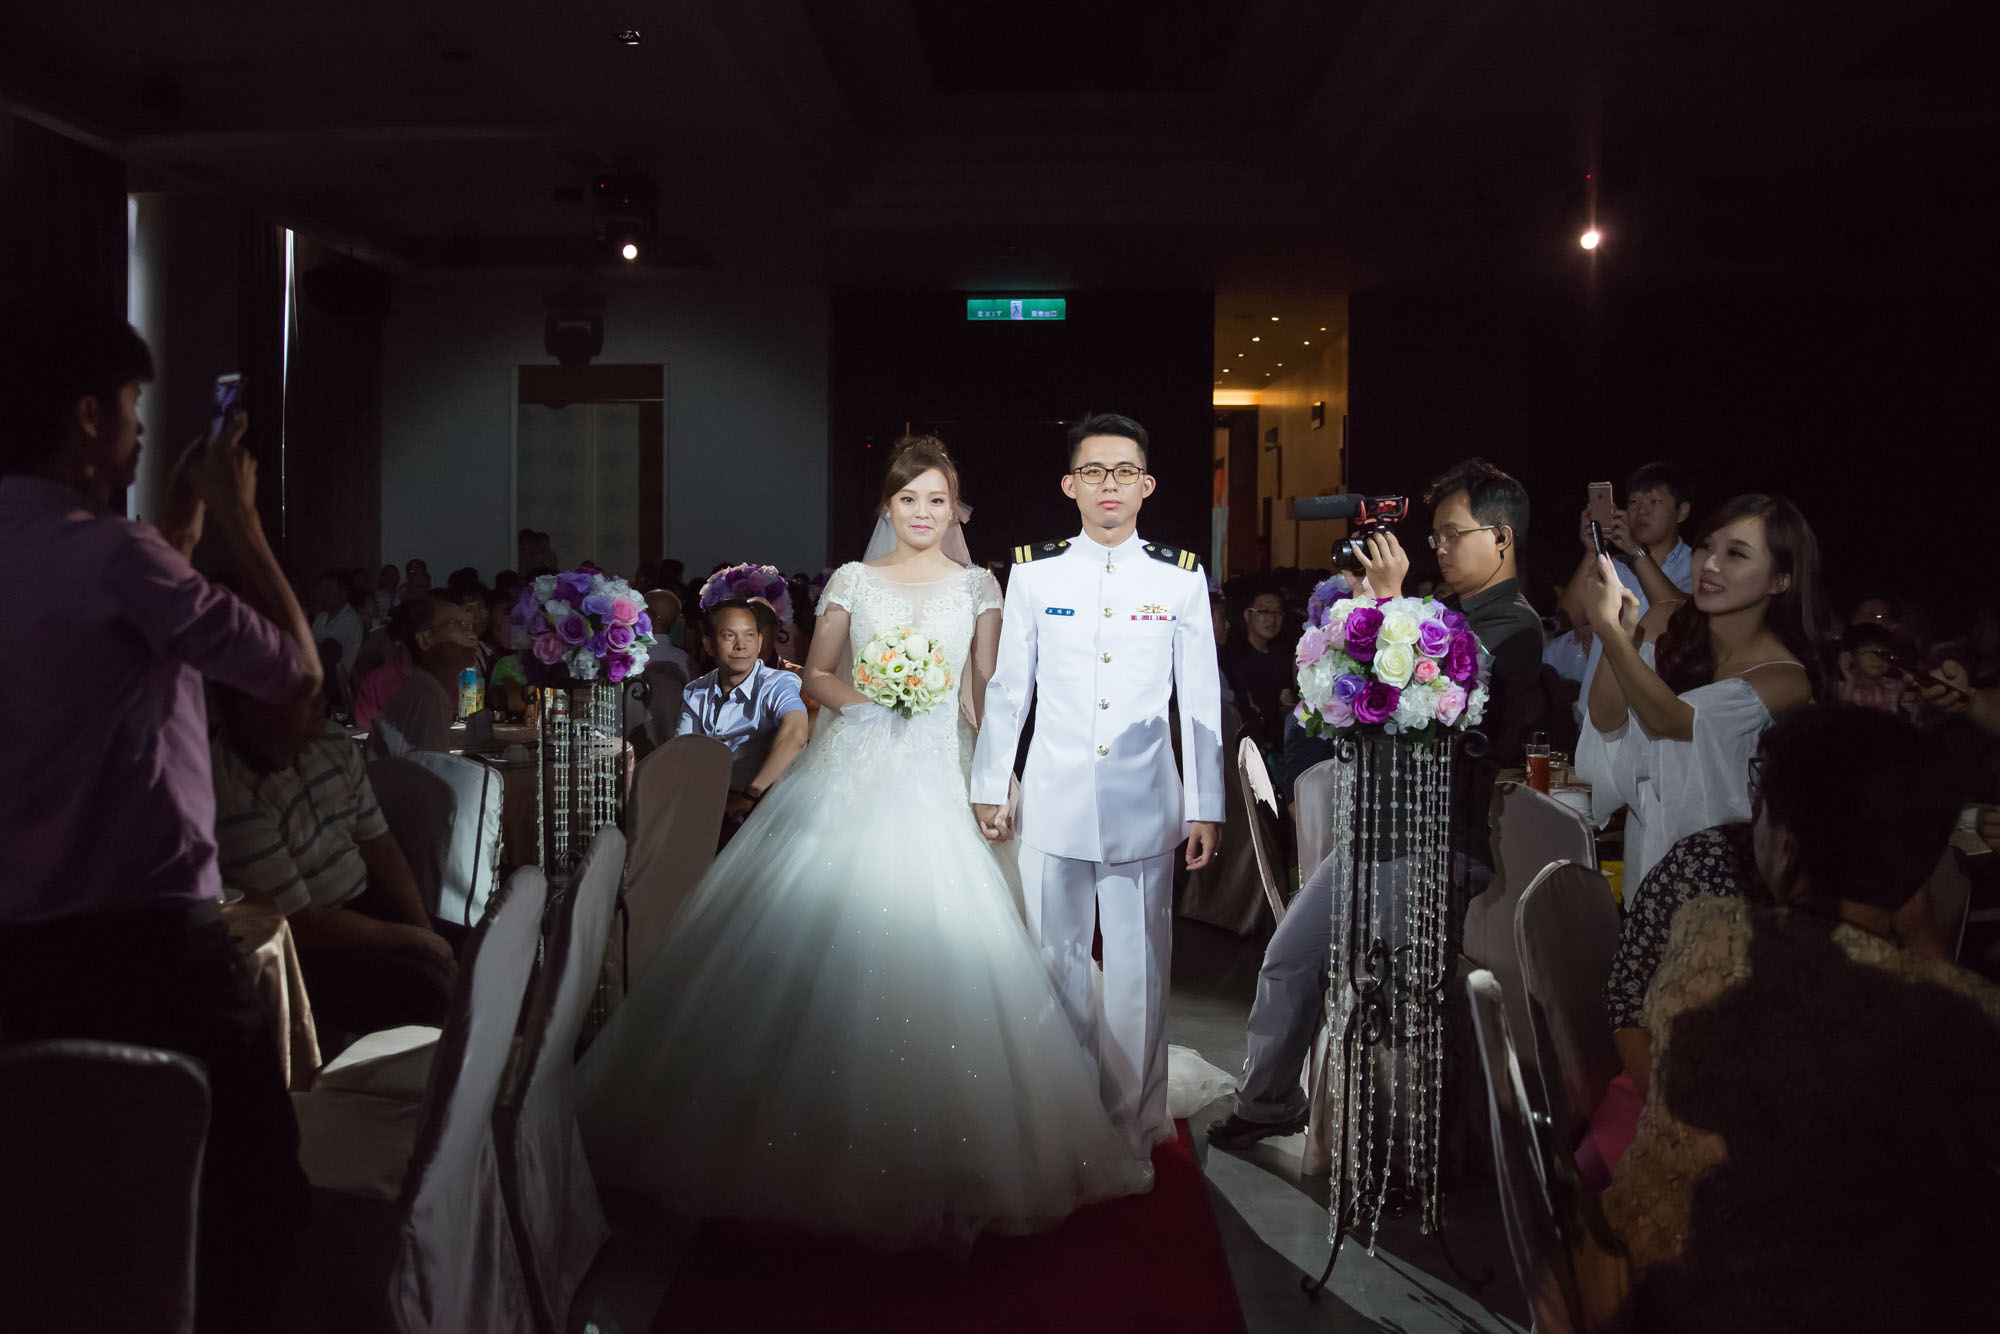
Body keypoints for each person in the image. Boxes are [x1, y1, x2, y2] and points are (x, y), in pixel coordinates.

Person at [576, 435, 1152, 1251]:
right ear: (888, 507)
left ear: (955, 509)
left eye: (937, 500)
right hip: (858, 759)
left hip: (944, 768)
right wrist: (870, 702)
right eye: (909, 499)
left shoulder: (981, 585)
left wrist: (999, 775)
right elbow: (815, 673)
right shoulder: (853, 578)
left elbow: (983, 689)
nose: (923, 513)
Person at [0, 303, 320, 1333]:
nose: (140, 427)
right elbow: (293, 674)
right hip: (150, 946)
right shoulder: (115, 555)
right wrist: (240, 520)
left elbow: (120, 638)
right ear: (89, 415)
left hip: (22, 952)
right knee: (247, 1202)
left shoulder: (89, 553)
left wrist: (177, 520)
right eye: (133, 404)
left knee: (71, 1212)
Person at [1586, 706, 2000, 1332]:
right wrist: (1919, 930)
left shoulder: (1714, 937)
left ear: (1786, 848)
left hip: (1660, 1293)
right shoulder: (1963, 1018)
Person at [1207, 458, 1548, 1149]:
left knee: (1394, 999)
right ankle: (1269, 1101)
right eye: (1436, 536)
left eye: (1453, 534)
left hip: (1432, 840)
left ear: (1502, 537)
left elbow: (1443, 713)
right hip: (1374, 828)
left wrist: (1391, 610)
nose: (1439, 548)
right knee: (1289, 959)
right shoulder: (1443, 613)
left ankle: (1405, 1152)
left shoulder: (1514, 627)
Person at [971, 412, 1224, 1151]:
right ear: (1069, 485)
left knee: (1140, 976)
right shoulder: (1034, 572)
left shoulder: (1177, 576)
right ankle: (1059, 1119)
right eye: (1093, 472)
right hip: (1053, 800)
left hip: (1145, 801)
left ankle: (1135, 1126)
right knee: (1053, 968)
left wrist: (1206, 804)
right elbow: (1010, 689)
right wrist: (991, 781)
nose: (1108, 485)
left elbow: (1199, 700)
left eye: (1123, 472)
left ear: (1147, 484)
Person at [1577, 493, 1828, 887]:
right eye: (1706, 546)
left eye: (1736, 554)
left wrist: (1608, 631)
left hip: (1728, 873)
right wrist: (1621, 634)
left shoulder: (1785, 677)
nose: (1710, 564)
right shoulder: (1667, 619)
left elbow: (1673, 721)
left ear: (1780, 580)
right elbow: (1608, 721)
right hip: (1649, 856)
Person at [212, 686, 457, 1032]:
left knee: (484, 952)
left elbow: (380, 847)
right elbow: (302, 923)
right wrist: (413, 940)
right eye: (301, 690)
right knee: (429, 990)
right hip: (311, 947)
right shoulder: (229, 790)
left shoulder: (332, 742)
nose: (321, 698)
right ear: (252, 710)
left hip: (366, 908)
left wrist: (423, 930)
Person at [676, 598, 810, 832]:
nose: (741, 645)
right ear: (708, 644)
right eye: (729, 636)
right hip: (707, 805)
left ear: (760, 642)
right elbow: (684, 755)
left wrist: (751, 795)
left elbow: (796, 734)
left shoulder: (778, 683)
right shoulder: (695, 691)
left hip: (761, 809)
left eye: (749, 636)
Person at [365, 592, 479, 759]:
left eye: (470, 627)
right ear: (425, 639)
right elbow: (426, 769)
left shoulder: (428, 686)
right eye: (457, 625)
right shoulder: (427, 695)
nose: (472, 636)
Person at [1222, 585, 1295, 752]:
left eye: (1278, 612)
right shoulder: (1234, 657)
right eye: (1264, 611)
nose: (1272, 619)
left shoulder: (1282, 654)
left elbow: (1286, 699)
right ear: (1247, 615)